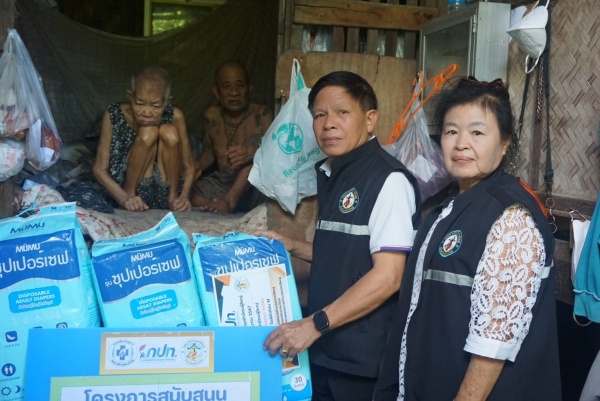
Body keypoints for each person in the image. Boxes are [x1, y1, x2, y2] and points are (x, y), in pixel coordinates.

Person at [373, 76, 561, 401]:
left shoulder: (511, 216)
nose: (461, 144)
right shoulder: (445, 209)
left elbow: (492, 345)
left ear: (505, 143)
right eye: (451, 132)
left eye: (477, 132)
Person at [257, 71, 421, 400]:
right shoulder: (333, 173)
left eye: (342, 112)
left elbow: (389, 276)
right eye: (319, 115)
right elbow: (347, 255)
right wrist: (292, 246)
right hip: (325, 349)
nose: (328, 124)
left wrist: (314, 324)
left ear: (370, 119)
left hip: (361, 360)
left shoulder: (388, 181)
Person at [93, 65, 194, 212]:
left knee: (169, 132)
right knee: (149, 132)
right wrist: (124, 198)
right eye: (140, 104)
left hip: (163, 190)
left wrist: (184, 197)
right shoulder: (113, 114)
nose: (146, 113)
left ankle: (172, 197)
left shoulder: (176, 116)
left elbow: (189, 166)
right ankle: (130, 191)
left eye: (156, 106)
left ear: (167, 102)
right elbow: (99, 169)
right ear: (130, 97)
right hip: (127, 191)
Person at [190, 61, 273, 214]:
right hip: (223, 183)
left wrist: (252, 152)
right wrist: (194, 167)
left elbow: (276, 153)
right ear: (216, 91)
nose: (234, 92)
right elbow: (209, 152)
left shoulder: (262, 114)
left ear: (249, 89)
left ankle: (229, 200)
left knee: (255, 148)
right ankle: (213, 203)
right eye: (226, 86)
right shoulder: (211, 115)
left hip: (253, 186)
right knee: (183, 188)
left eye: (240, 85)